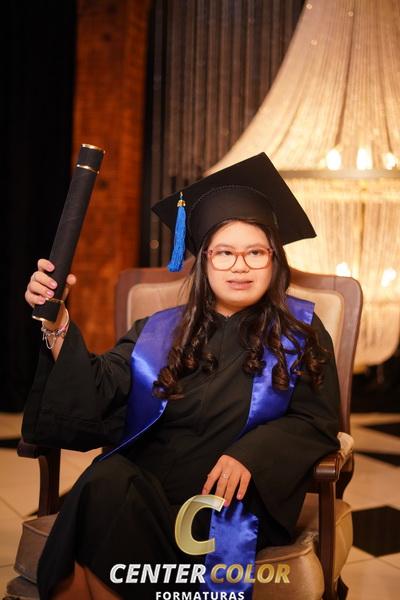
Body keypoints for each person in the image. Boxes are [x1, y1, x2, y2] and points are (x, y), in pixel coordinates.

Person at [23, 153, 341, 600]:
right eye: (225, 253)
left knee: (96, 541)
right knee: (102, 482)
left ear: (274, 260)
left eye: (255, 252)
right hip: (149, 495)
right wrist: (57, 323)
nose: (240, 266)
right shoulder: (159, 330)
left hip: (230, 502)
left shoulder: (299, 332)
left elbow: (317, 421)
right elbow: (102, 387)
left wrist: (251, 454)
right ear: (204, 261)